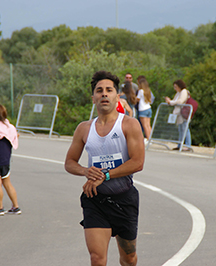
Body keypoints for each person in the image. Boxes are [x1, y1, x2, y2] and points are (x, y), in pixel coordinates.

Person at [65, 70, 144, 266]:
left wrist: (106, 175)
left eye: (109, 90)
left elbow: (137, 162)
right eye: (99, 91)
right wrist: (85, 171)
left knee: (129, 258)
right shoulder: (84, 128)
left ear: (117, 96)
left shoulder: (129, 125)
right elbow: (69, 162)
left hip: (124, 199)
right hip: (95, 200)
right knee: (97, 259)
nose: (104, 94)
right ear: (93, 98)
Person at [165, 80, 191, 151]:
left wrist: (171, 102)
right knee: (180, 129)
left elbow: (180, 101)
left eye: (176, 87)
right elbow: (175, 101)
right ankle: (180, 144)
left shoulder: (184, 91)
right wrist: (170, 102)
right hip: (178, 113)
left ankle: (188, 145)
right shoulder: (178, 93)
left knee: (185, 128)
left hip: (183, 112)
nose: (175, 89)